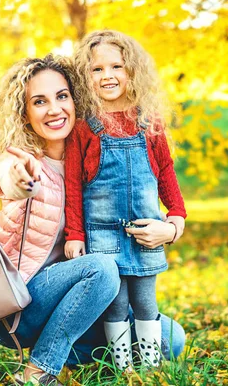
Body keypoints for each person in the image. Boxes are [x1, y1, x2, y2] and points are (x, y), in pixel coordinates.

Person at [0, 53, 185, 385]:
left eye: (62, 96)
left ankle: (72, 348)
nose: (55, 109)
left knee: (172, 338)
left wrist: (169, 228)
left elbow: (150, 188)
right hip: (22, 303)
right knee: (102, 267)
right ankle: (38, 371)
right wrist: (22, 178)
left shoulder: (94, 155)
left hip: (83, 299)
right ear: (24, 115)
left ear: (76, 98)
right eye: (39, 102)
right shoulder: (21, 158)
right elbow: (9, 177)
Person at [64, 30, 187, 371]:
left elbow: (165, 171)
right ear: (84, 76)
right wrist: (75, 233)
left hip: (146, 232)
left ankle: (148, 368)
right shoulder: (84, 127)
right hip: (102, 236)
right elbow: (73, 184)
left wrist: (176, 213)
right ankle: (123, 369)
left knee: (146, 302)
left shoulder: (149, 122)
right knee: (115, 305)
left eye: (116, 66)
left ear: (131, 70)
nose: (107, 76)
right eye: (97, 69)